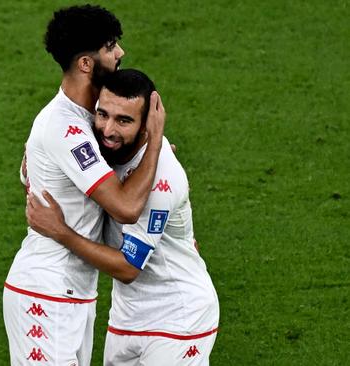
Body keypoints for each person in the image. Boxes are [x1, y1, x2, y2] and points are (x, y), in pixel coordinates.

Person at [3, 5, 166, 366]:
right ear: (86, 64)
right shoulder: (67, 127)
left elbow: (28, 177)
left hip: (74, 292)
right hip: (46, 292)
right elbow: (124, 207)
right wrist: (154, 141)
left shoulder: (86, 120)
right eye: (110, 46)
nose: (120, 53)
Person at [26, 69, 219, 365]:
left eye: (124, 120)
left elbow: (129, 268)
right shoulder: (101, 148)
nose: (108, 130)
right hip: (127, 317)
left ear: (147, 126)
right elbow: (36, 168)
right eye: (103, 114)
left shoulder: (161, 178)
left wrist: (60, 232)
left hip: (179, 317)